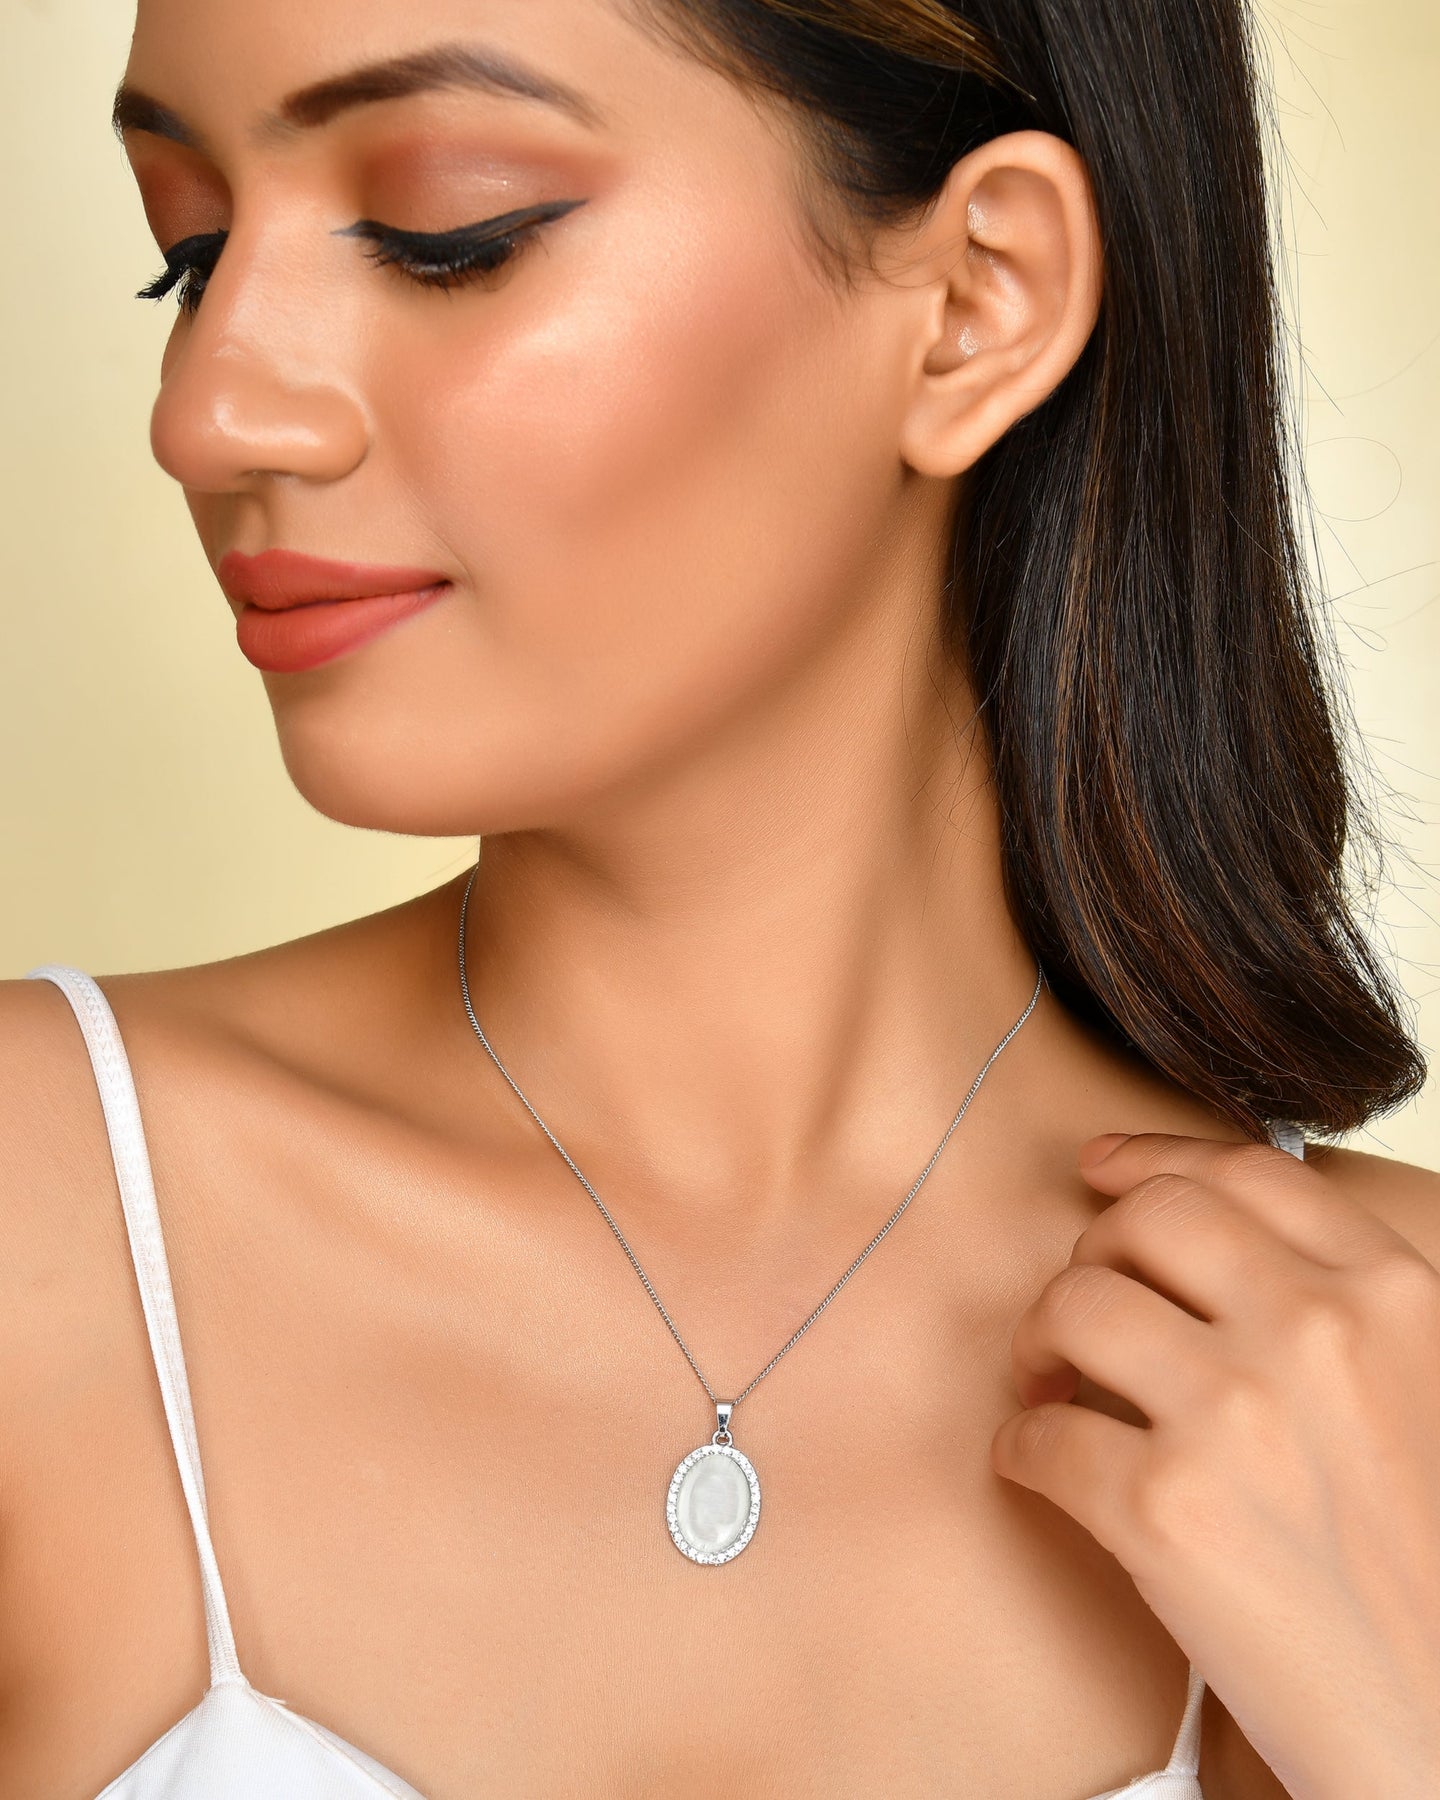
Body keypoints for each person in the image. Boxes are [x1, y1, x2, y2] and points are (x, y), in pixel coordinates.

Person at [2, 0, 1437, 1794]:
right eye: (191, 256)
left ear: (977, 301)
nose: (210, 413)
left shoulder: (1391, 1388)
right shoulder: (42, 1231)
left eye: (448, 234)